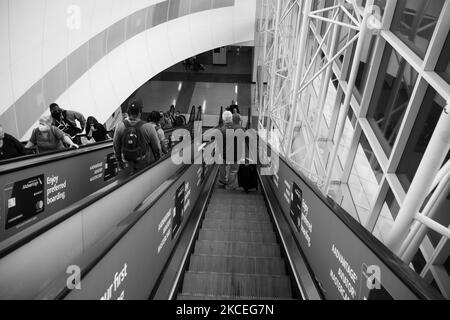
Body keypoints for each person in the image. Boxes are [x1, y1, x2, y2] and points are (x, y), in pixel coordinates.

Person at [113, 100, 162, 173]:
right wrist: (158, 159)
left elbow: (116, 145)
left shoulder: (119, 126)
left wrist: (119, 161)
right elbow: (157, 148)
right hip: (144, 165)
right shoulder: (148, 127)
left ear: (128, 112)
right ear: (139, 112)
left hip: (127, 165)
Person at [218, 111, 239, 190]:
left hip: (224, 153)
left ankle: (223, 180)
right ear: (231, 118)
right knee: (233, 170)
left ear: (223, 119)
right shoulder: (238, 128)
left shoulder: (220, 129)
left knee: (223, 166)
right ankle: (229, 185)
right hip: (235, 153)